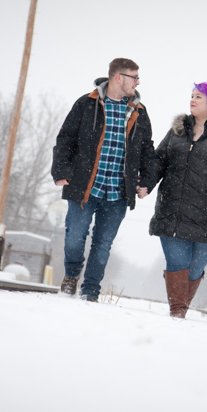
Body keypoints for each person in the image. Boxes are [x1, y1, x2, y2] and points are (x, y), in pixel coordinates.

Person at [51, 58, 157, 302]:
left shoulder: (139, 111)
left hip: (118, 192)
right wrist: (61, 171)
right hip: (84, 186)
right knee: (75, 237)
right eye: (134, 77)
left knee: (103, 245)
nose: (138, 82)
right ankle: (71, 276)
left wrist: (146, 182)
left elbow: (147, 150)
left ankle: (90, 291)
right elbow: (66, 138)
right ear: (118, 77)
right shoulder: (87, 104)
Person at [149, 82, 207, 317]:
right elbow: (159, 161)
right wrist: (144, 185)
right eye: (191, 96)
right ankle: (178, 312)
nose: (192, 100)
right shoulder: (177, 131)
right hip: (173, 210)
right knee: (177, 264)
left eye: (198, 97)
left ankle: (180, 307)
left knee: (194, 269)